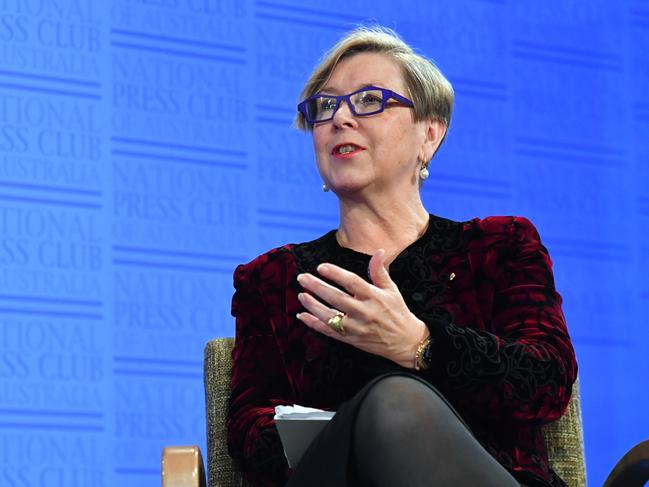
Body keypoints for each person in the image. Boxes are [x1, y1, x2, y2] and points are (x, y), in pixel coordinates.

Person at [227, 26, 577, 487]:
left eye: (369, 100)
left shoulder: (499, 247)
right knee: (389, 404)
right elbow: (249, 434)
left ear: (429, 135)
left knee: (397, 401)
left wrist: (420, 345)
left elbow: (546, 378)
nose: (340, 119)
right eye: (325, 106)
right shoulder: (274, 279)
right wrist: (357, 429)